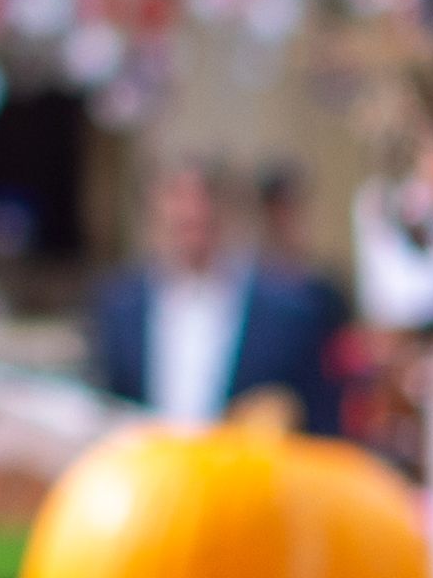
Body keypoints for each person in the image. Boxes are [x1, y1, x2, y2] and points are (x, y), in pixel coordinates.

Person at [90, 157, 350, 439]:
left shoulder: (291, 311)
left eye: (206, 196)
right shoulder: (119, 305)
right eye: (177, 197)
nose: (193, 212)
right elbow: (106, 406)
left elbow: (321, 422)